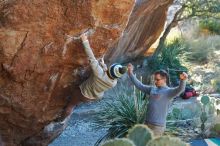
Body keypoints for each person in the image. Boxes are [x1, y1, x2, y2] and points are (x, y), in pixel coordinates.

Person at [59, 33, 127, 120]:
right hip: (93, 97)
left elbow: (91, 58)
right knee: (78, 101)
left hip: (83, 93)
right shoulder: (114, 83)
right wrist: (103, 66)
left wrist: (85, 41)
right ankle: (76, 104)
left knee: (71, 105)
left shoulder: (99, 73)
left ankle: (61, 120)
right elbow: (109, 76)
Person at [127, 63, 188, 136]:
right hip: (146, 123)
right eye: (154, 79)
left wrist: (183, 80)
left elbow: (180, 89)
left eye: (157, 79)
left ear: (164, 79)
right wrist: (130, 73)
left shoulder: (169, 92)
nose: (155, 82)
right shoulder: (152, 89)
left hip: (158, 127)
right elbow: (140, 85)